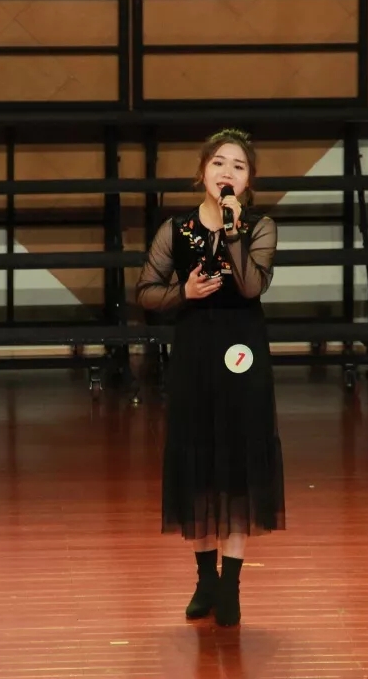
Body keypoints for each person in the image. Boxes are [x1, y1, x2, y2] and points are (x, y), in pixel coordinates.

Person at [136, 128, 286, 628]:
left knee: (239, 459)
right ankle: (205, 579)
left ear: (248, 181)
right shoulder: (175, 229)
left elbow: (251, 285)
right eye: (219, 163)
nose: (227, 172)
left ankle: (231, 585)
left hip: (243, 351)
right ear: (202, 171)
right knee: (198, 458)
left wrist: (234, 230)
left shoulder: (260, 227)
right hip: (195, 351)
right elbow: (146, 292)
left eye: (238, 166)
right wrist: (184, 292)